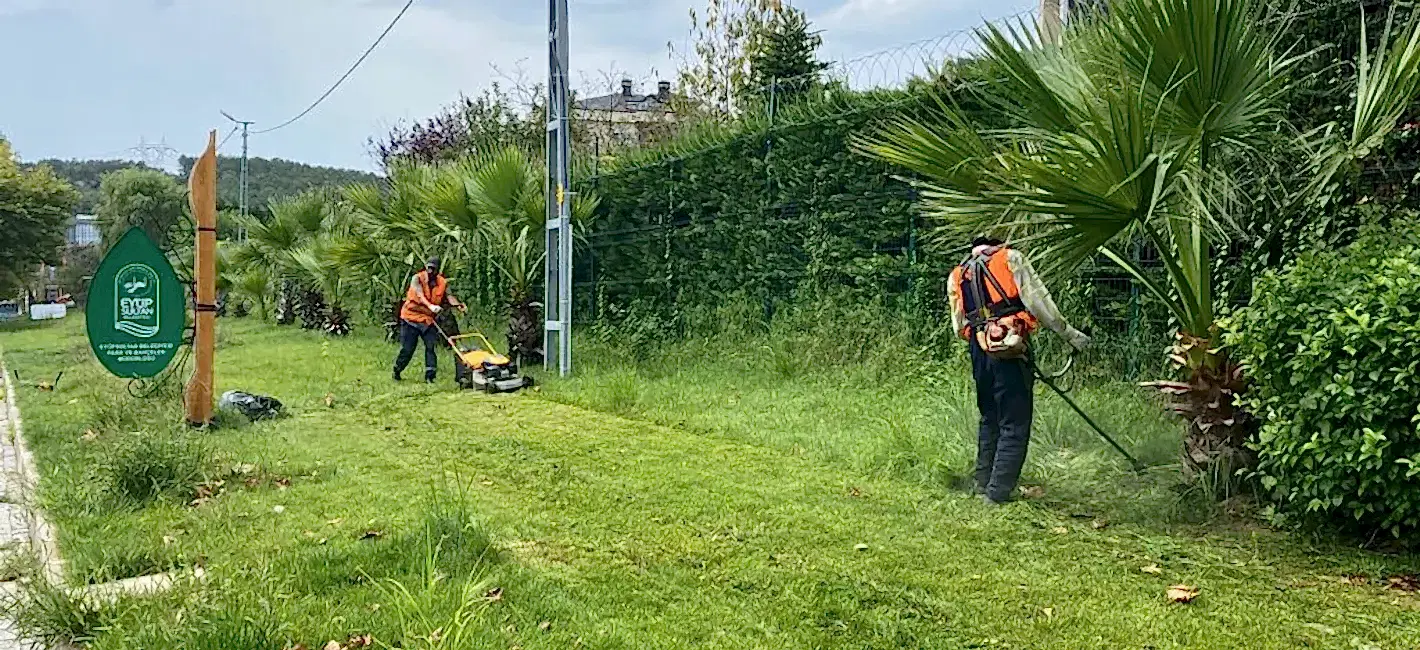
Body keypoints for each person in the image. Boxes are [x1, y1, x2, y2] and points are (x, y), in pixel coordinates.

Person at [949, 236, 1090, 505]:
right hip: (1011, 346)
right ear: (996, 243)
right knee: (1014, 420)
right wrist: (1071, 336)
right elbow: (1039, 302)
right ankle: (999, 492)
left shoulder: (959, 272)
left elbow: (959, 326)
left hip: (980, 348)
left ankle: (983, 482)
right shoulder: (1010, 258)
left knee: (989, 416)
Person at [393, 256, 466, 382]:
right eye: (429, 268)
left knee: (430, 347)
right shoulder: (417, 278)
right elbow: (419, 294)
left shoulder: (442, 282)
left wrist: (458, 305)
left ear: (438, 270)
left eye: (433, 269)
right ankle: (397, 369)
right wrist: (430, 306)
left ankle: (430, 377)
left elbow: (449, 296)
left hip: (427, 320)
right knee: (408, 349)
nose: (430, 271)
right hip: (410, 318)